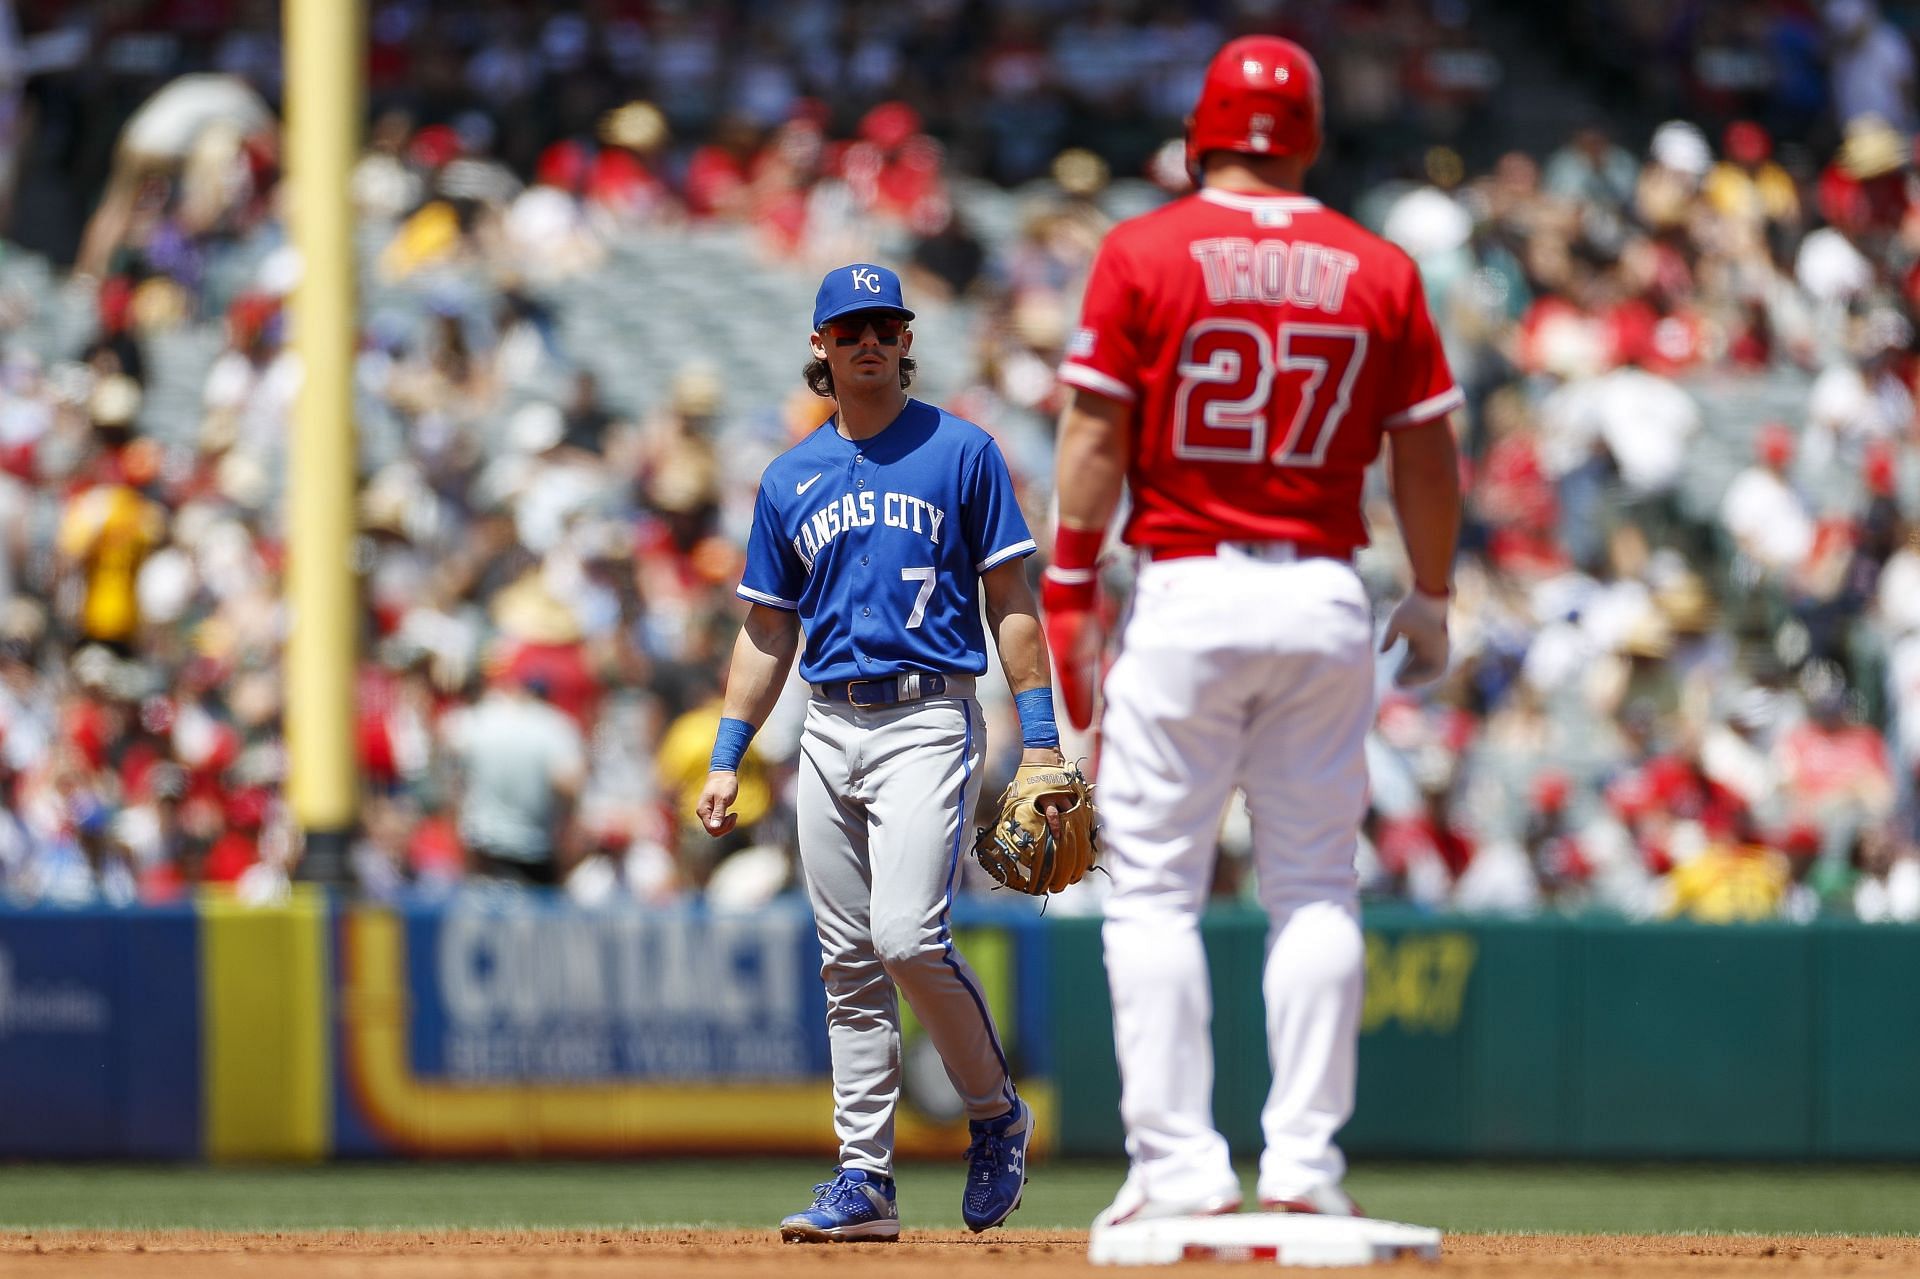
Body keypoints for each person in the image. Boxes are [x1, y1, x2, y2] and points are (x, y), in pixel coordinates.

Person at [1043, 37, 1463, 1228]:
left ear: (1202, 132)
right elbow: (1426, 449)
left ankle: (1179, 1172)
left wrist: (1069, 581)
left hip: (1188, 585)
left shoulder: (1144, 250)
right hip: (1324, 589)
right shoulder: (1377, 263)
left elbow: (1090, 437)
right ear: (1312, 137)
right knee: (1317, 889)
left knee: (1153, 894)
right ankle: (1303, 1169)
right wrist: (1431, 590)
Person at [697, 262, 1058, 1242]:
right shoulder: (789, 477)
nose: (867, 340)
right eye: (848, 326)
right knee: (848, 962)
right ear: (821, 346)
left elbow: (1012, 604)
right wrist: (730, 753)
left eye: (883, 325)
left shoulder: (964, 452)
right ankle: (865, 1179)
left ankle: (993, 1113)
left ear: (906, 340)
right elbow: (767, 631)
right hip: (826, 724)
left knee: (906, 936)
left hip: (927, 718)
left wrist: (1041, 743)